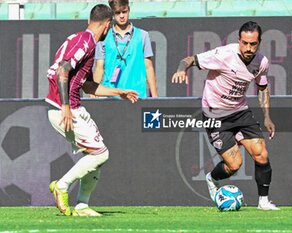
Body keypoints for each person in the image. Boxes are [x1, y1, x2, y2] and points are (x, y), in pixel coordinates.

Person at [172, 21, 279, 210]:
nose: (248, 48)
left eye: (253, 44)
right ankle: (212, 178)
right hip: (215, 114)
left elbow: (262, 88)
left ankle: (263, 201)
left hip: (240, 112)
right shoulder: (223, 55)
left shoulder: (261, 62)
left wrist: (267, 117)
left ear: (259, 43)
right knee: (234, 165)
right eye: (244, 43)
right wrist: (181, 69)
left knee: (261, 154)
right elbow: (190, 59)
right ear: (239, 40)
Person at [45, 4, 138, 216]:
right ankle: (61, 186)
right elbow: (62, 71)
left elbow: (87, 85)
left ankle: (82, 205)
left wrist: (118, 92)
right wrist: (66, 106)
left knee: (96, 153)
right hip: (64, 107)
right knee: (101, 154)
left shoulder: (82, 40)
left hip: (69, 105)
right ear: (107, 25)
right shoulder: (86, 42)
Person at [93, 0, 158, 98]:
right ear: (112, 14)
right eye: (118, 13)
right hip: (110, 96)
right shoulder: (104, 37)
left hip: (137, 95)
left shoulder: (143, 35)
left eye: (124, 12)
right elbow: (99, 67)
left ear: (129, 10)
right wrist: (93, 92)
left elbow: (148, 67)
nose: (122, 16)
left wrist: (155, 96)